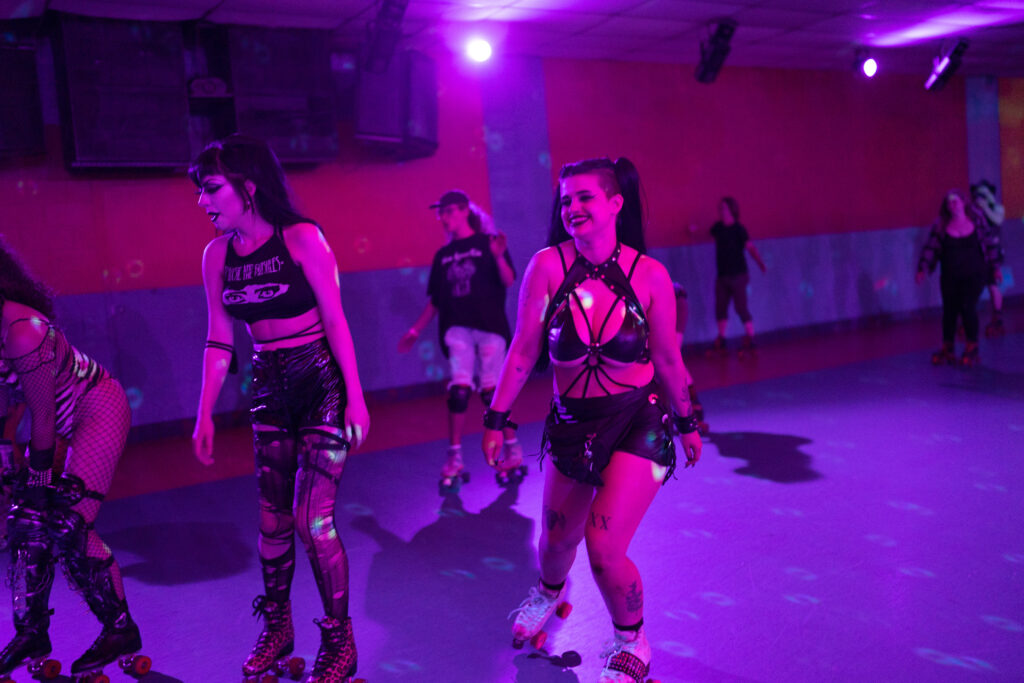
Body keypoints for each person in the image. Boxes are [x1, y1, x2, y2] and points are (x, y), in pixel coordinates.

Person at [480, 158, 703, 682]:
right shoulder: (546, 268)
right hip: (571, 426)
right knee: (555, 543)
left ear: (614, 205)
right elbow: (522, 351)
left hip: (638, 423)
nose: (573, 208)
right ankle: (548, 593)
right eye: (566, 201)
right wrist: (496, 417)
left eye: (585, 197)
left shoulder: (649, 275)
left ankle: (633, 643)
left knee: (604, 548)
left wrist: (688, 419)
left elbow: (668, 359)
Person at [190, 135, 370, 682]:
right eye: (200, 191)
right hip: (269, 382)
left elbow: (337, 320)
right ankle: (278, 627)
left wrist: (357, 397)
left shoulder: (302, 237)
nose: (203, 201)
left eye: (212, 188)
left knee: (310, 521)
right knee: (270, 521)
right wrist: (204, 413)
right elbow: (220, 339)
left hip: (320, 380)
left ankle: (340, 639)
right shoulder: (217, 256)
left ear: (248, 186)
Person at [0, 238, 146, 680]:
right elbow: (10, 407)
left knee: (68, 523)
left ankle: (120, 628)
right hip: (56, 425)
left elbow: (42, 415)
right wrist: (10, 467)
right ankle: (32, 632)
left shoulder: (23, 328)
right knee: (25, 522)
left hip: (95, 407)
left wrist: (39, 479)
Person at [397, 190, 520, 488]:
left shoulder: (488, 243)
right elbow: (436, 300)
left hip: (489, 325)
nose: (445, 217)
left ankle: (511, 447)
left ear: (466, 211)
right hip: (456, 328)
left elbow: (508, 280)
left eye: (450, 211)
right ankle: (454, 456)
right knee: (459, 390)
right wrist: (415, 330)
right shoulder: (443, 256)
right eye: (441, 212)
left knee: (492, 391)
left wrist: (499, 255)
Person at [916, 189, 1003, 366]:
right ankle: (948, 347)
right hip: (950, 276)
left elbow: (989, 244)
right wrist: (923, 269)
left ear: (963, 203)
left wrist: (995, 268)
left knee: (967, 306)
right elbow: (930, 249)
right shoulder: (941, 226)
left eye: (956, 201)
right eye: (949, 202)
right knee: (949, 312)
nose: (953, 204)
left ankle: (972, 346)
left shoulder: (977, 221)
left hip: (975, 274)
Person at [703, 197, 766, 355]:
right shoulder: (718, 228)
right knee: (720, 307)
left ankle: (750, 337)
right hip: (723, 275)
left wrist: (760, 263)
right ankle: (721, 338)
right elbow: (709, 233)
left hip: (738, 275)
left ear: (732, 210)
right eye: (720, 208)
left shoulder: (739, 229)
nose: (721, 211)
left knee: (741, 306)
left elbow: (750, 248)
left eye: (724, 208)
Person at [969, 180, 1007, 336]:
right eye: (978, 194)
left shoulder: (997, 208)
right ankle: (967, 318)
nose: (981, 197)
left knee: (993, 284)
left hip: (993, 252)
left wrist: (986, 206)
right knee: (974, 285)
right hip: (976, 252)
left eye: (984, 193)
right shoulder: (972, 210)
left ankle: (997, 317)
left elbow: (997, 220)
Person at [673, 282, 707, 434]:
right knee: (672, 359)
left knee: (672, 358)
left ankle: (693, 409)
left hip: (676, 301)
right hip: (672, 301)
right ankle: (694, 407)